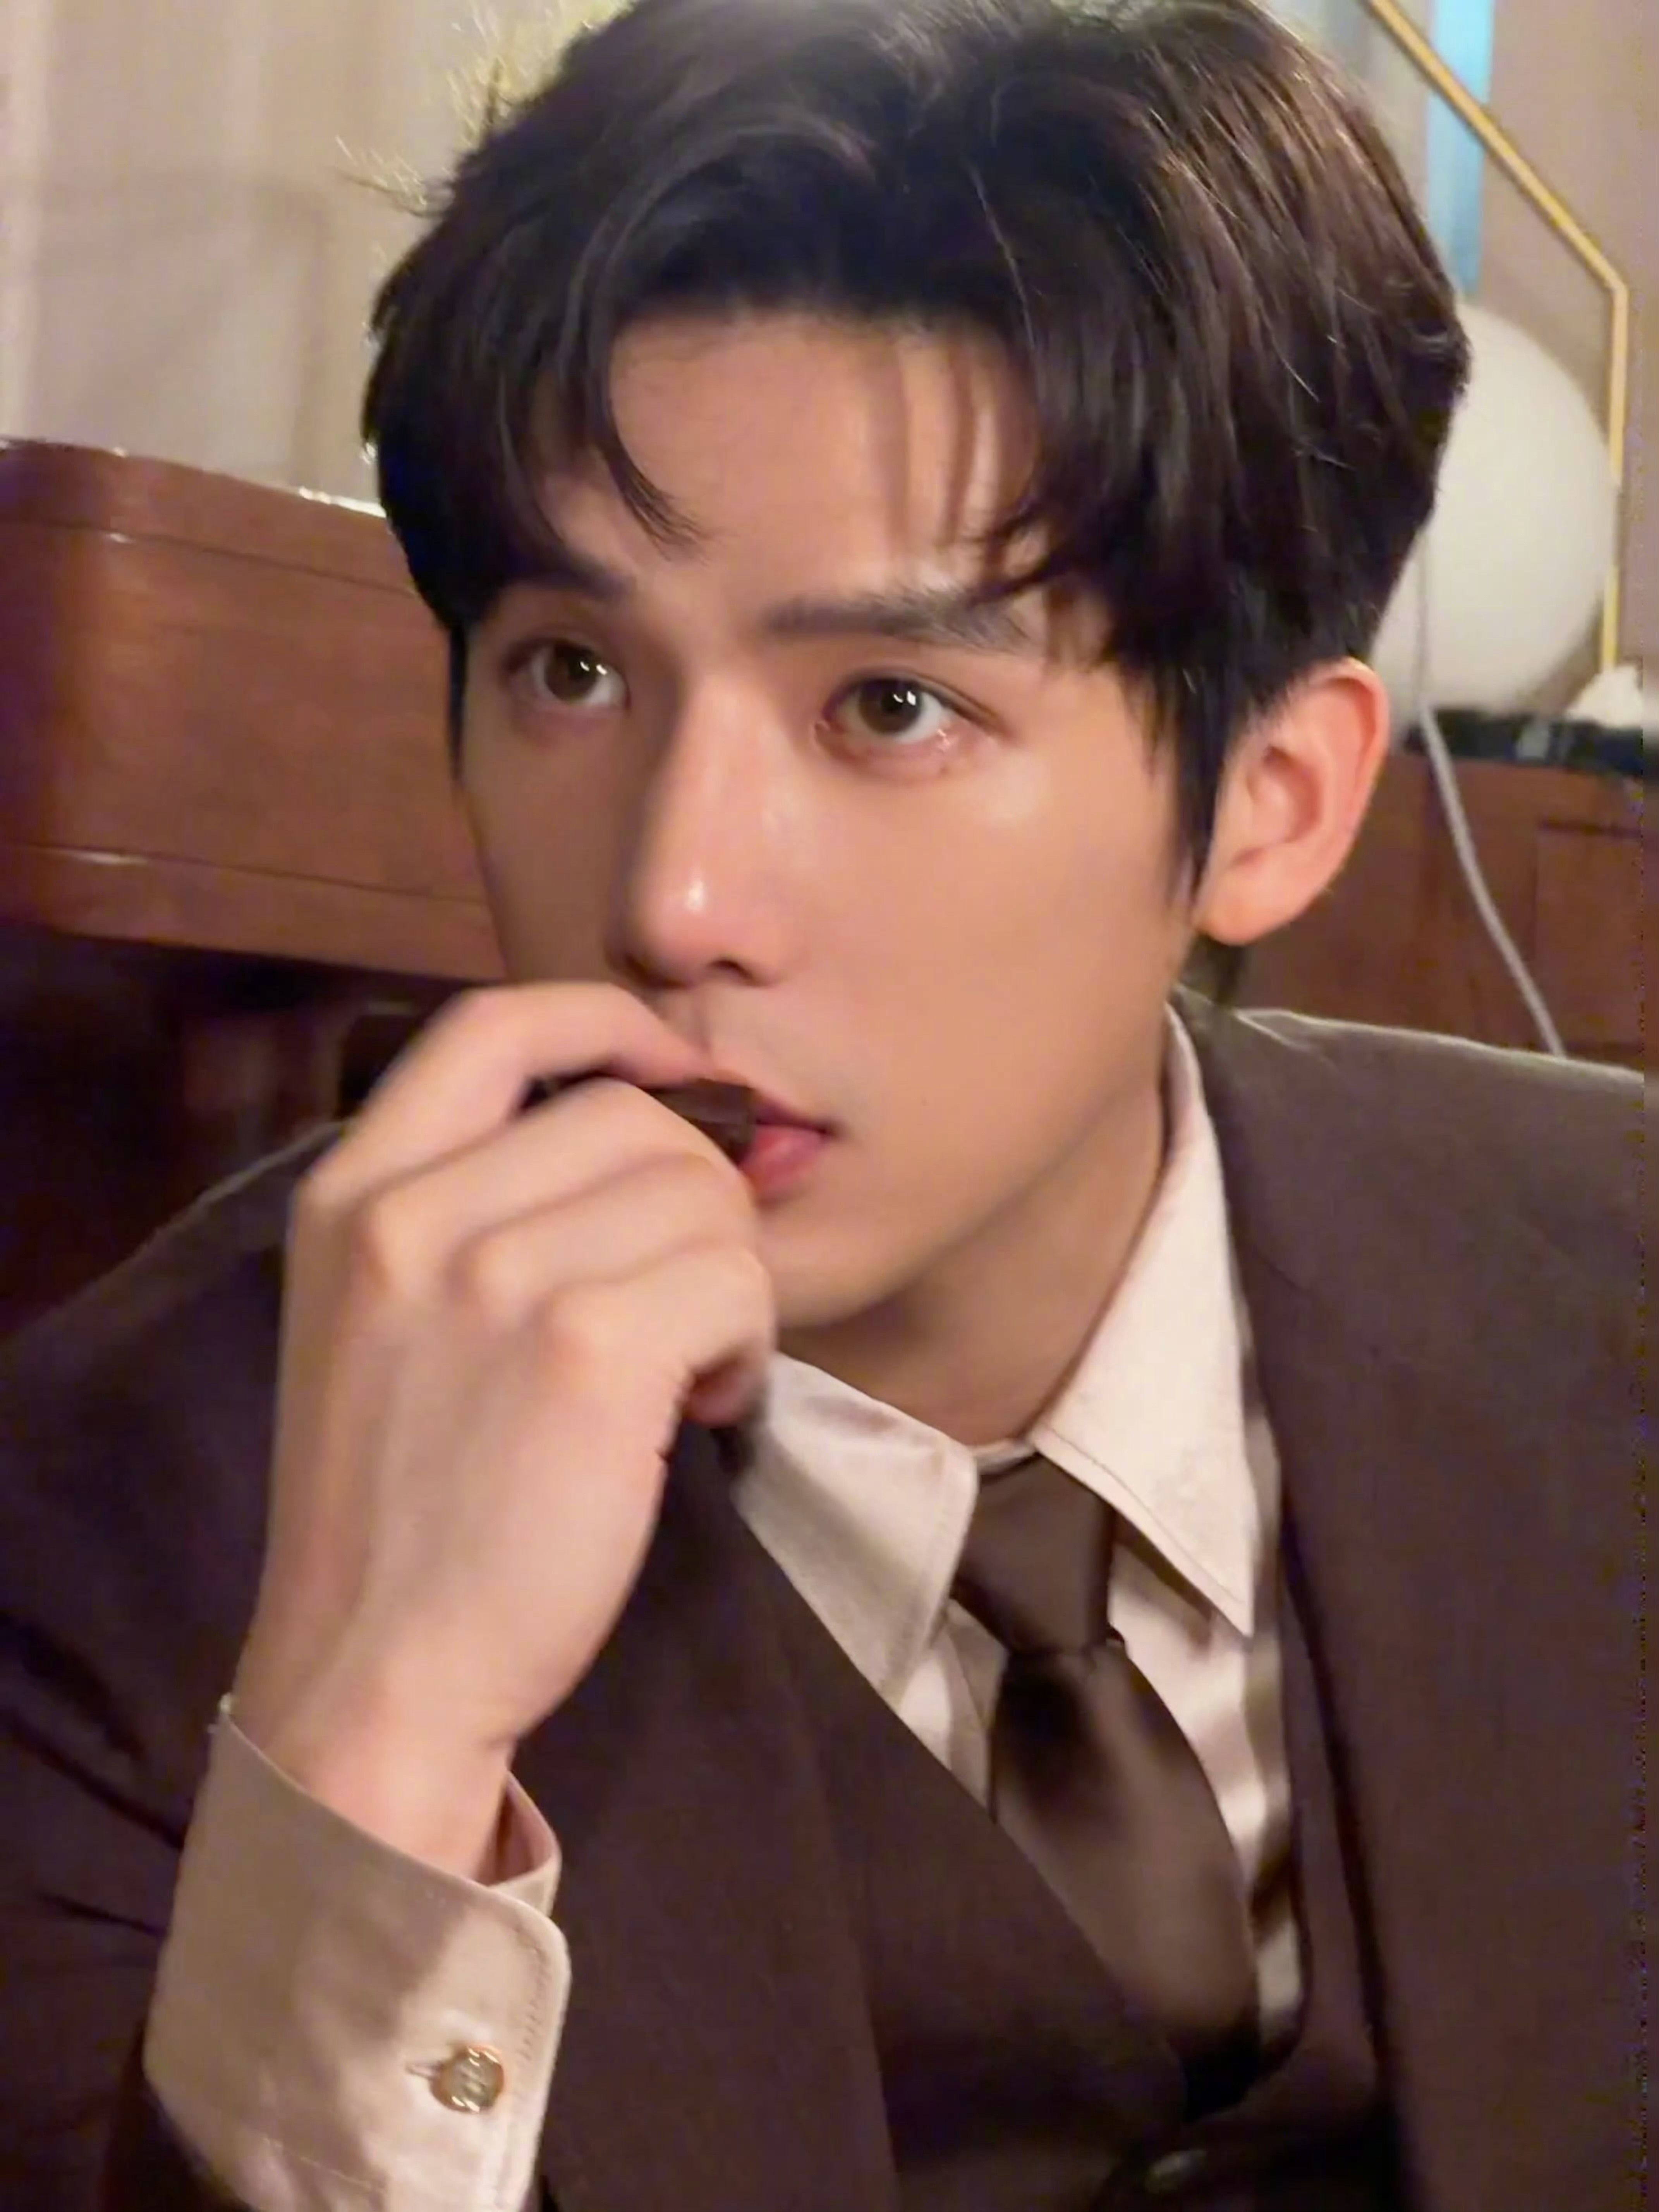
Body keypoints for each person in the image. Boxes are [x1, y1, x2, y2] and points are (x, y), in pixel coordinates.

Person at [0, 0, 1640, 2206]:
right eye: (574, 672)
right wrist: (376, 1742)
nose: (672, 901)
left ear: (1273, 799)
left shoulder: (1613, 1279)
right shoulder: (104, 1515)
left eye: (888, 706)